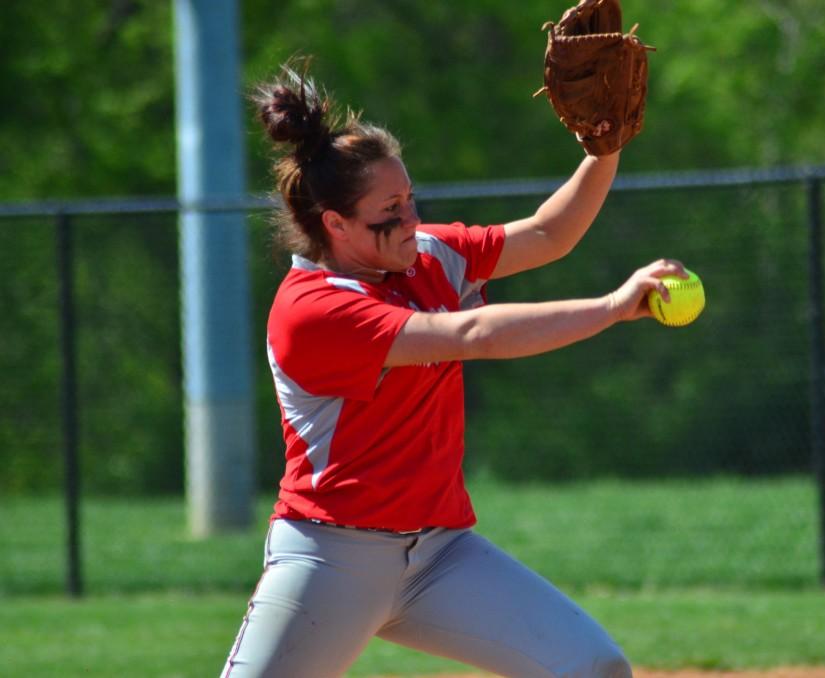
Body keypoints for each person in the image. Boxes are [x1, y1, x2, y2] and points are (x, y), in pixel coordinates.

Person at [220, 60, 687, 678]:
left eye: (410, 197)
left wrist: (606, 148)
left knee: (593, 668)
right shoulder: (313, 310)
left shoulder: (424, 255)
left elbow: (549, 234)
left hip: (440, 555)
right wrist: (609, 308)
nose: (412, 217)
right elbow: (470, 334)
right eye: (391, 207)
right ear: (335, 224)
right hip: (333, 557)